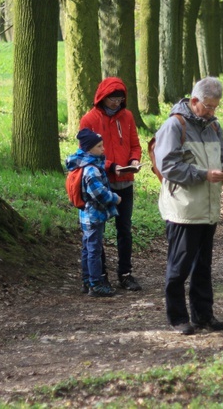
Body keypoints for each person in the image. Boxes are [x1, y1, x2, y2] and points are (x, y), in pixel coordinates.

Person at [153, 77, 223, 335]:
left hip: (208, 208)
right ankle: (177, 318)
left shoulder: (214, 127)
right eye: (208, 106)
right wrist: (204, 174)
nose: (212, 112)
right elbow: (168, 167)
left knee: (203, 267)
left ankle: (204, 316)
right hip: (183, 210)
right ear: (194, 101)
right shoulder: (174, 125)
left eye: (216, 107)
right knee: (179, 267)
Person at [79, 77, 143, 292]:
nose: (116, 102)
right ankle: (101, 275)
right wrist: (110, 166)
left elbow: (135, 144)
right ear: (102, 97)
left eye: (120, 98)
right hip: (101, 183)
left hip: (125, 182)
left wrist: (134, 160)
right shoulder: (88, 119)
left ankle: (125, 274)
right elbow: (85, 153)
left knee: (124, 229)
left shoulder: (128, 117)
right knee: (98, 231)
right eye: (112, 98)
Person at [65, 129, 122, 298]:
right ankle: (95, 284)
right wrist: (114, 198)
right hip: (93, 214)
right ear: (89, 149)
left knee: (87, 248)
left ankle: (86, 280)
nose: (103, 149)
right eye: (99, 146)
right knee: (94, 250)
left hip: (85, 214)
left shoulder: (82, 164)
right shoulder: (91, 170)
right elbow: (99, 194)